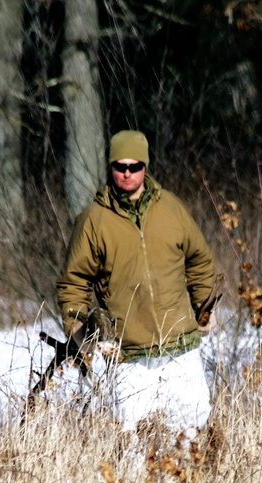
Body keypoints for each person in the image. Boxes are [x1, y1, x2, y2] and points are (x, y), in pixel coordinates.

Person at [56, 130, 217, 434]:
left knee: (192, 434)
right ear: (111, 168)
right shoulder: (94, 220)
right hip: (128, 355)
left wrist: (204, 309)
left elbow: (200, 259)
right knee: (134, 441)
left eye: (134, 166)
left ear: (145, 167)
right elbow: (73, 283)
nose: (127, 173)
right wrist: (79, 334)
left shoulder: (170, 208)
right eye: (120, 166)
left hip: (181, 348)